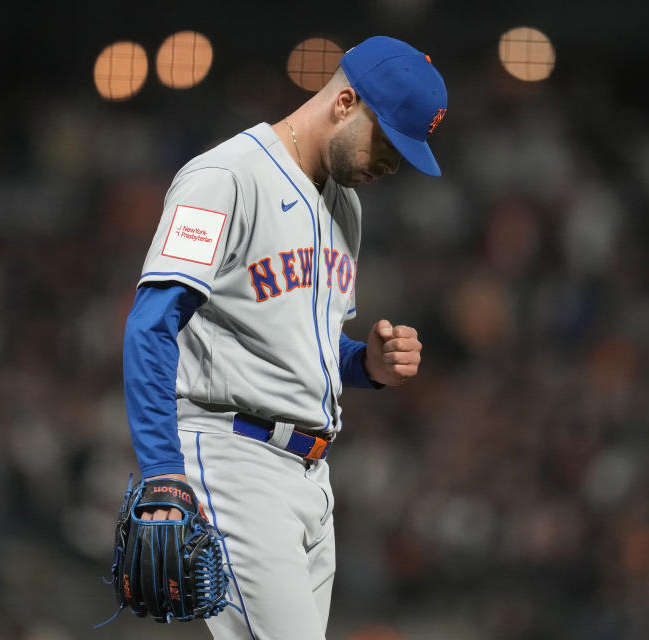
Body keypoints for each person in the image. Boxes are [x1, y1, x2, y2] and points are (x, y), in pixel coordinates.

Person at [122, 35, 447, 639]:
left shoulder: (345, 205)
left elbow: (301, 347)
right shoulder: (225, 177)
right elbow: (150, 324)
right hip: (231, 460)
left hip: (310, 478)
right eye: (389, 142)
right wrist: (161, 469)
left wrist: (365, 364)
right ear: (345, 102)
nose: (392, 163)